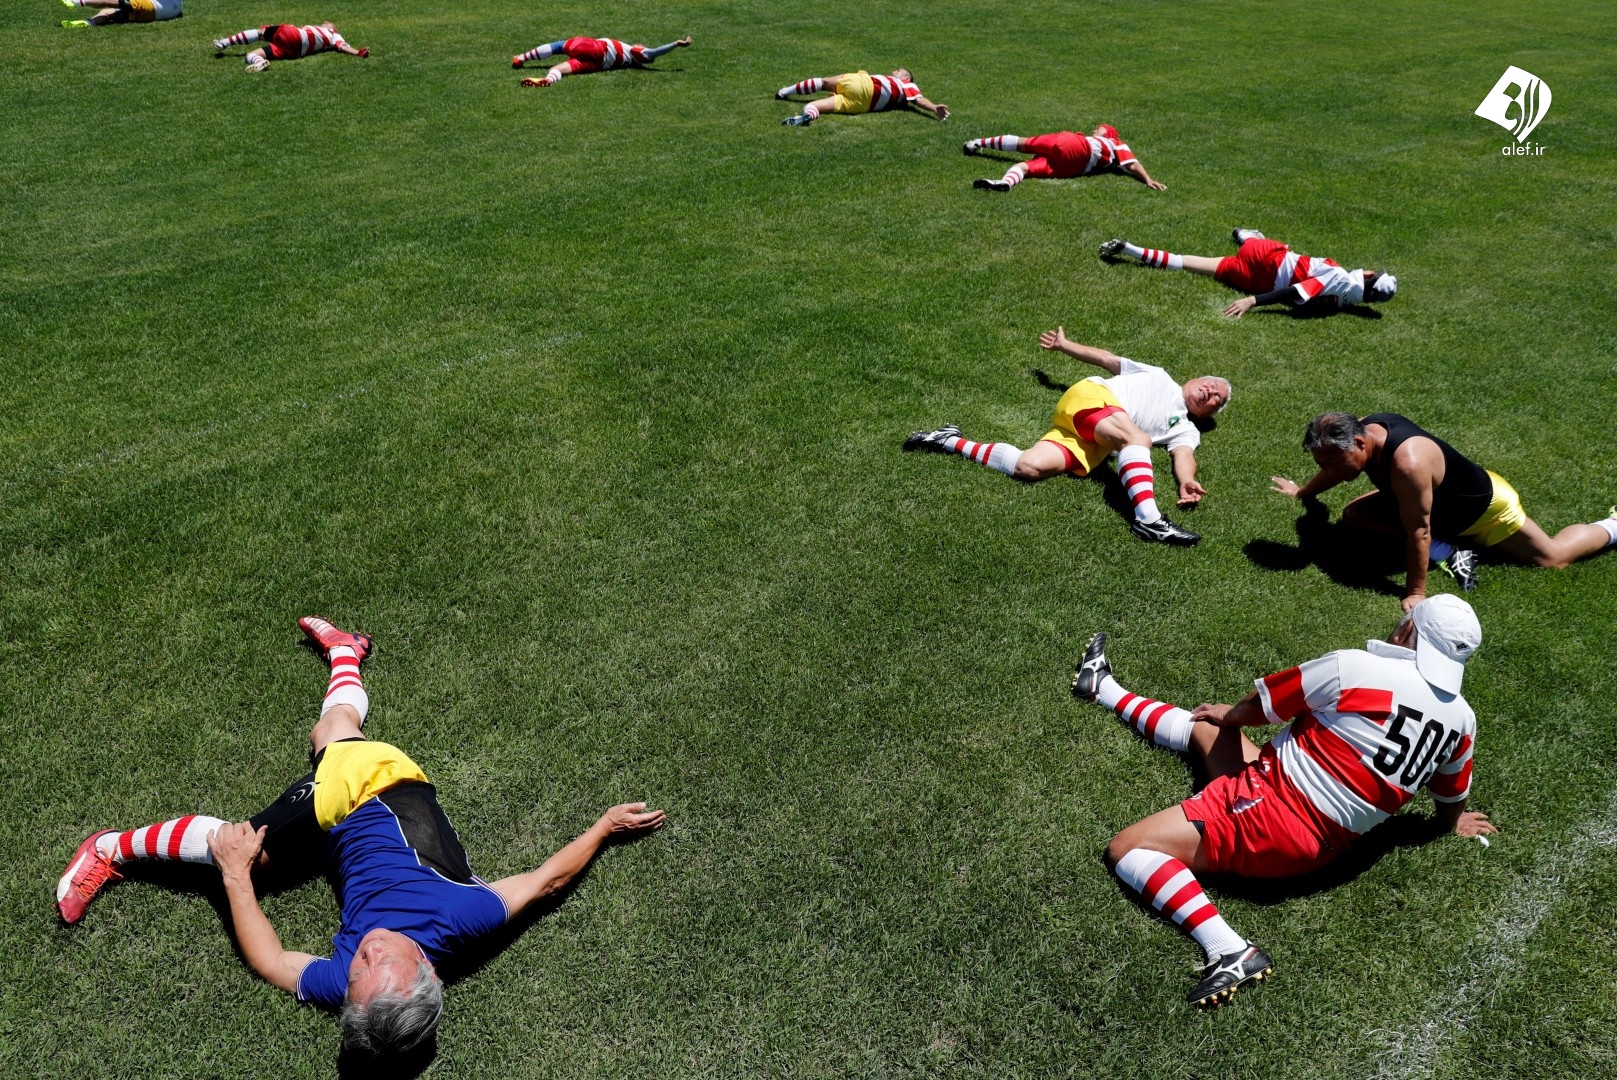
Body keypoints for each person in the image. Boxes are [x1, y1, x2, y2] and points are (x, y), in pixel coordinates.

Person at [55, 617, 665, 1056]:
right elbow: (546, 882)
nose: (364, 952)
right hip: (371, 788)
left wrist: (239, 886)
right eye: (378, 959)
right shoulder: (465, 917)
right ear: (426, 970)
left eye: (358, 970)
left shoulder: (361, 988)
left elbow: (272, 962)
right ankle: (108, 847)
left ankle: (345, 653)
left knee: (332, 730)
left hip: (362, 808)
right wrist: (605, 826)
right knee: (239, 844)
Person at [1071, 595, 1496, 1007]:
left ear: (1406, 631)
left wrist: (1230, 713)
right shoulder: (1462, 719)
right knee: (1207, 730)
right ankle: (1102, 688)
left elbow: (1264, 704)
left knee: (1130, 848)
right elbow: (1451, 791)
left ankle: (1228, 949)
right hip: (1320, 843)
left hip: (1270, 814)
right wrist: (1451, 822)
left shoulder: (1358, 669)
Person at [902, 327, 1230, 545]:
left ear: (1206, 415)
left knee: (1028, 467)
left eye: (1217, 399)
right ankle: (1149, 520)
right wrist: (1064, 345)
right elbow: (1107, 359)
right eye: (1212, 385)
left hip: (1094, 438)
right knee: (1138, 440)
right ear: (1196, 379)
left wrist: (1187, 480)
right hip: (1091, 398)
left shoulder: (1185, 429)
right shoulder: (1159, 376)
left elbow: (1184, 455)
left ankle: (945, 439)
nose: (1211, 392)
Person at [1272, 412, 1617, 609]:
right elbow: (1335, 468)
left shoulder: (1408, 465)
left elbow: (1419, 531)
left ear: (1359, 443)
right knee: (1355, 517)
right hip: (1436, 498)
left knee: (1553, 558)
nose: (1330, 470)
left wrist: (1415, 593)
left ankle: (1612, 525)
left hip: (1484, 510)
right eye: (1323, 463)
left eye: (1334, 462)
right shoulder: (1361, 430)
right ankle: (1449, 551)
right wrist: (1303, 492)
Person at [1098, 229, 1396, 317]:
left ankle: (1245, 234)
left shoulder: (1341, 277)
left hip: (1266, 257)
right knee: (1186, 262)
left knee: (1256, 241)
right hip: (1251, 279)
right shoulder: (1343, 302)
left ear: (1368, 275)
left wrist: (1252, 302)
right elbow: (1299, 302)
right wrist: (1252, 293)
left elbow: (1295, 291)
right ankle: (1132, 250)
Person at [961, 124, 1165, 193]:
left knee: (1024, 143)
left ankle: (976, 142)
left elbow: (1133, 163)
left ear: (1109, 133)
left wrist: (1148, 179)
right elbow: (1128, 165)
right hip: (1073, 168)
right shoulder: (1112, 159)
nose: (1095, 130)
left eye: (1100, 128)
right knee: (1024, 167)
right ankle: (1004, 183)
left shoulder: (1114, 142)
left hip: (1076, 146)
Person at [775, 69, 949, 127]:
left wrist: (934, 107)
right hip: (862, 106)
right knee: (815, 106)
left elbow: (919, 99)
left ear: (906, 78)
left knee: (823, 83)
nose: (893, 71)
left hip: (865, 85)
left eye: (898, 70)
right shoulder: (900, 97)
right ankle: (807, 116)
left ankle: (784, 92)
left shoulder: (906, 84)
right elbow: (915, 101)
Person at [512, 35, 692, 86]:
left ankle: (521, 58)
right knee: (558, 69)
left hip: (598, 49)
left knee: (559, 46)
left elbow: (654, 52)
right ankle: (548, 80)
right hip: (595, 65)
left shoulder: (636, 53)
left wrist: (675, 44)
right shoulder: (629, 61)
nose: (641, 45)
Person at [213, 23, 368, 72]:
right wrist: (358, 53)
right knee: (251, 55)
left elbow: (342, 46)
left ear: (332, 28)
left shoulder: (333, 34)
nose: (325, 22)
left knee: (261, 32)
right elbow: (342, 47)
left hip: (296, 36)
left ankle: (224, 43)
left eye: (328, 23)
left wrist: (357, 52)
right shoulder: (334, 40)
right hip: (294, 52)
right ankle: (259, 62)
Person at [58, 0, 179, 28]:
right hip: (155, 14)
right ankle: (89, 22)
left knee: (110, 2)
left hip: (153, 7)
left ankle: (76, 1)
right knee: (108, 13)